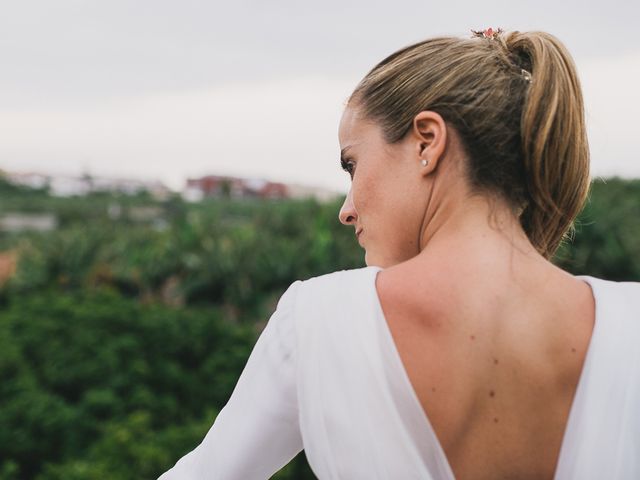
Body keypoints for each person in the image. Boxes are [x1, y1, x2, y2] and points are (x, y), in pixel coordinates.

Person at [159, 28, 640, 479]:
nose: (346, 211)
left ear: (427, 142)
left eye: (352, 164)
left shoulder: (319, 321)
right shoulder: (630, 324)